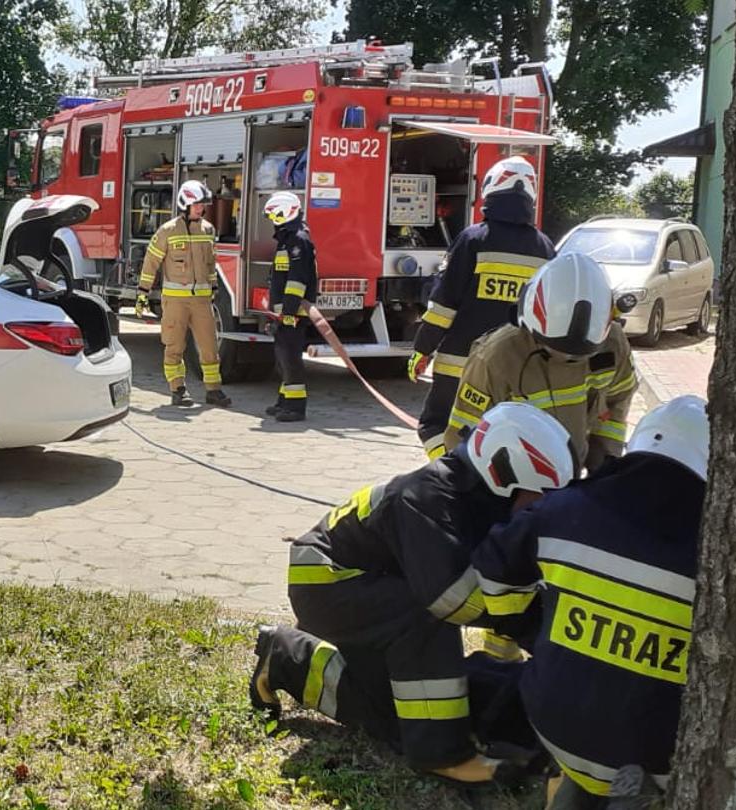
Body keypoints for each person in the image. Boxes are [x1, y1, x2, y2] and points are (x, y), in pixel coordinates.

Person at [251, 402, 575, 783]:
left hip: (374, 588)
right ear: (503, 473)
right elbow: (454, 600)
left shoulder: (479, 500)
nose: (547, 509)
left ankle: (286, 658)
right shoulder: (428, 499)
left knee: (396, 714)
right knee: (429, 616)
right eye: (542, 496)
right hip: (328, 583)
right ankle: (444, 756)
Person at [471, 395, 710, 808]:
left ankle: (585, 784)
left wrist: (532, 631)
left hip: (555, 725)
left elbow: (493, 567)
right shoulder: (729, 552)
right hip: (662, 750)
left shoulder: (563, 508)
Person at [407, 156, 555, 459]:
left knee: (435, 426)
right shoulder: (545, 248)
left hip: (460, 363)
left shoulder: (473, 239)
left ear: (490, 189)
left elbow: (443, 306)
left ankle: (450, 480)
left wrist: (422, 349)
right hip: (518, 368)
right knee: (499, 438)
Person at [442, 253, 637, 472]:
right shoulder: (496, 358)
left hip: (573, 476)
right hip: (512, 485)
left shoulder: (612, 345)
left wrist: (603, 466)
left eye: (579, 356)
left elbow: (618, 401)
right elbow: (462, 437)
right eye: (553, 349)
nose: (566, 358)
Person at [139, 180, 230, 408]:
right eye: (197, 204)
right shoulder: (167, 231)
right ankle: (178, 389)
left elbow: (211, 264)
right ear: (185, 204)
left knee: (209, 346)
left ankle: (213, 390)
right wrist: (142, 292)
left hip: (201, 301)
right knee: (174, 346)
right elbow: (151, 262)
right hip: (175, 301)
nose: (201, 208)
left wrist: (214, 288)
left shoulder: (208, 230)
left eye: (202, 205)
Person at [263, 191, 317, 423]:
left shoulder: (298, 240)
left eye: (274, 214)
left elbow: (298, 280)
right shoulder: (288, 238)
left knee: (291, 357)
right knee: (283, 357)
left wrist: (289, 311)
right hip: (284, 312)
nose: (272, 219)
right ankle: (284, 402)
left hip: (293, 313)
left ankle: (296, 408)